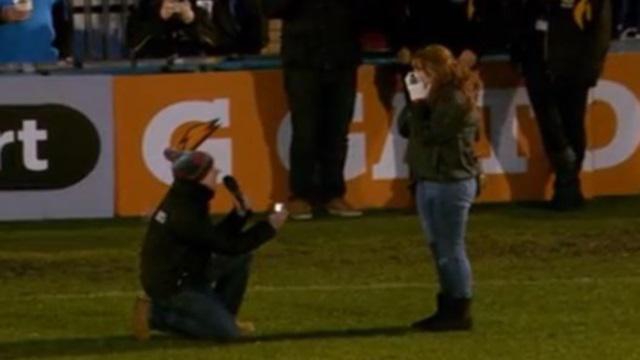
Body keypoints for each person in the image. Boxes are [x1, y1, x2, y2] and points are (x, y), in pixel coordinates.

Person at [132, 149, 288, 340]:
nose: (217, 172)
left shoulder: (187, 196)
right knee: (227, 335)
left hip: (185, 271)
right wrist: (269, 227)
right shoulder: (186, 212)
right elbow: (229, 245)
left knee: (239, 259)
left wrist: (238, 215)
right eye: (212, 170)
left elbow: (209, 239)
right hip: (175, 286)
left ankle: (224, 317)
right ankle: (158, 316)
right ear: (200, 178)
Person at [398, 45, 482, 331]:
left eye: (421, 70)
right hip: (429, 178)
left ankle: (458, 309)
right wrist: (415, 101)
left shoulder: (455, 100)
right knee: (439, 247)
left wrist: (420, 105)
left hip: (451, 180)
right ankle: (448, 305)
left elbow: (432, 135)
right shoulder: (433, 97)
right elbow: (405, 128)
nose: (417, 76)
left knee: (451, 248)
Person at [263, 0, 363, 220]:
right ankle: (300, 196)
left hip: (342, 59)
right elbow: (271, 8)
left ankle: (333, 194)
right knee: (304, 132)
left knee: (337, 132)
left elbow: (368, 14)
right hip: (302, 61)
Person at [510, 0, 612, 210]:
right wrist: (518, 55)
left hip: (573, 67)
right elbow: (519, 20)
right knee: (549, 125)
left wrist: (591, 68)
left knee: (572, 124)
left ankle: (568, 183)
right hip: (536, 65)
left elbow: (601, 31)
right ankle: (568, 181)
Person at [127, 0, 267, 59]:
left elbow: (221, 42)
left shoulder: (226, 5)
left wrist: (192, 21)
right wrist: (159, 18)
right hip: (161, 78)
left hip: (216, 78)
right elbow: (134, 44)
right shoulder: (150, 5)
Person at [0, 0, 73, 63]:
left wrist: (65, 54)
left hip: (46, 66)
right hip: (5, 67)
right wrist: (2, 15)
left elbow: (63, 21)